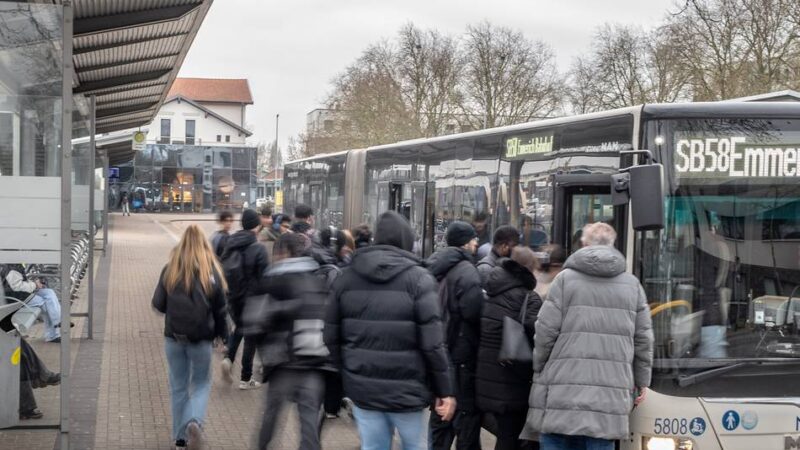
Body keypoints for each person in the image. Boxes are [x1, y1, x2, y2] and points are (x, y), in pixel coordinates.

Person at [325, 211, 456, 450]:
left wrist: (348, 374)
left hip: (364, 390)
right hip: (409, 392)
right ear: (406, 241)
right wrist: (444, 390)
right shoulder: (420, 280)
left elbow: (330, 336)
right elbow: (433, 344)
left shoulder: (346, 278)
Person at [521, 223, 654, 450]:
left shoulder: (564, 280)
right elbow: (644, 340)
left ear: (583, 244)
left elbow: (544, 331)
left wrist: (540, 365)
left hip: (561, 399)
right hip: (607, 406)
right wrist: (641, 383)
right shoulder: (633, 286)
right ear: (613, 245)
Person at [152, 224, 229, 450]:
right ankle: (194, 420)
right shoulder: (211, 272)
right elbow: (221, 310)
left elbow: (158, 304)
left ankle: (179, 439)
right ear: (204, 245)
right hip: (201, 339)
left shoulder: (170, 270)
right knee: (202, 383)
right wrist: (223, 337)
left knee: (178, 387)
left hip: (174, 338)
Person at [251, 233, 331, 450]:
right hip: (314, 363)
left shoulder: (270, 281)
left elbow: (254, 321)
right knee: (309, 425)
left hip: (282, 365)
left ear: (283, 253)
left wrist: (264, 355)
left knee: (271, 419)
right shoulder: (318, 279)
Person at [426, 221, 485, 450]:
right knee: (465, 418)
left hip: (439, 350)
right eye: (473, 239)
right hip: (462, 354)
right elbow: (473, 312)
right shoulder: (467, 271)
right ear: (465, 242)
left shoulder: (434, 266)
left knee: (440, 415)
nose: (476, 242)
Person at [477, 247, 542, 450]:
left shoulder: (491, 291)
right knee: (512, 436)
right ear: (528, 270)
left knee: (505, 435)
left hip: (487, 377)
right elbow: (538, 337)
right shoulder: (528, 298)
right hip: (514, 381)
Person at [220, 209, 269, 390]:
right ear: (256, 226)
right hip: (253, 300)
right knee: (251, 339)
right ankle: (245, 378)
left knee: (239, 329)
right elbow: (265, 277)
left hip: (234, 298)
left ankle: (228, 359)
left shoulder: (231, 243)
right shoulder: (258, 248)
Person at [2, 265, 64, 343]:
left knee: (49, 292)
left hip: (22, 294)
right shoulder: (12, 268)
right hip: (16, 298)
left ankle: (58, 322)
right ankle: (53, 333)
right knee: (45, 303)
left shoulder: (15, 265)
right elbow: (17, 287)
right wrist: (35, 284)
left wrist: (34, 283)